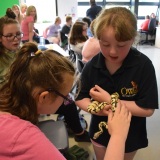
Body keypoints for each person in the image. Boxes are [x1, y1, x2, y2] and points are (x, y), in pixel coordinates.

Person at [75, 7, 158, 160]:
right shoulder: (92, 66)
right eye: (105, 44)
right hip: (100, 132)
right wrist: (95, 109)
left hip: (131, 134)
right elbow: (80, 98)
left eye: (121, 45)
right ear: (97, 39)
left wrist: (110, 101)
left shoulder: (143, 66)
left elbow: (147, 109)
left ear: (133, 39)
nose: (113, 52)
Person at [0, 8, 22, 88]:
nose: (16, 39)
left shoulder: (23, 51)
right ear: (0, 38)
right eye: (9, 36)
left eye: (18, 34)